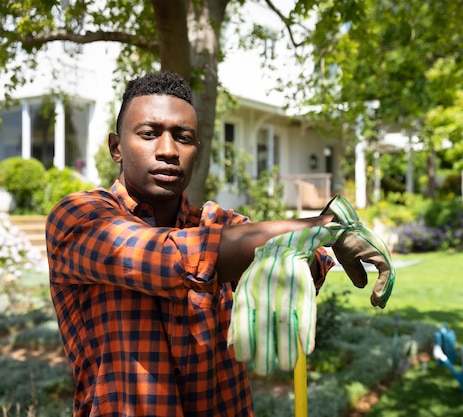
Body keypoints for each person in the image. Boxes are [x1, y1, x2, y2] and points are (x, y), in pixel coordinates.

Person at [46, 71, 392, 417]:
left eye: (183, 137)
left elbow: (306, 259)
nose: (168, 150)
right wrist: (323, 227)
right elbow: (171, 256)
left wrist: (306, 250)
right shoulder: (78, 218)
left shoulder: (217, 223)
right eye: (149, 134)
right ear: (116, 147)